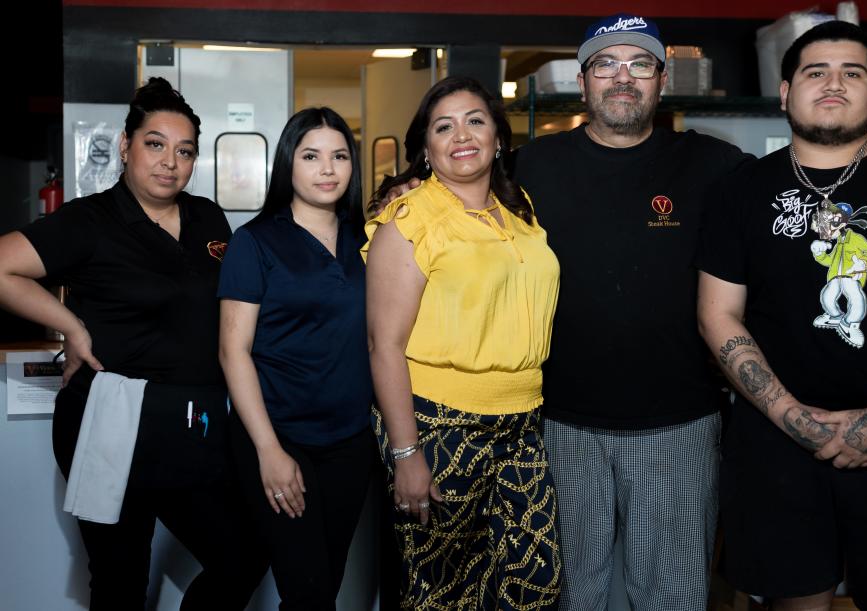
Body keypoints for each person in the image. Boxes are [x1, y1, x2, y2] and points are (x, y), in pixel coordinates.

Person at [375, 15, 867, 610]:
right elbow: (458, 176)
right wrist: (408, 187)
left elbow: (819, 162)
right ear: (583, 81)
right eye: (606, 64)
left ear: (660, 80)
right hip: (559, 428)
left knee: (672, 598)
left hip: (680, 426)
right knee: (569, 597)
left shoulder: (719, 167)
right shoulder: (530, 168)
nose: (622, 78)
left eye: (639, 65)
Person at [697, 20, 867, 610]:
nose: (834, 84)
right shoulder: (739, 191)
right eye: (816, 72)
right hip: (776, 448)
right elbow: (719, 318)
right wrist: (800, 423)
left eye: (853, 72)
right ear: (786, 91)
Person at [0, 77, 267, 610]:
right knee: (121, 582)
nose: (170, 161)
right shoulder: (90, 220)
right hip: (110, 420)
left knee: (243, 555)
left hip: (193, 421)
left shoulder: (208, 217)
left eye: (184, 150)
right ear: (126, 146)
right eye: (155, 144)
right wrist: (71, 326)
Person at [363, 76, 562, 609]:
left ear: (499, 137)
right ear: (426, 150)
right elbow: (384, 345)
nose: (461, 135)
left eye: (475, 120)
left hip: (523, 423)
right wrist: (406, 455)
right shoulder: (408, 220)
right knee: (444, 593)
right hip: (438, 424)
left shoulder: (521, 211)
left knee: (532, 588)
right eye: (443, 126)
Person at [218, 107, 377, 610]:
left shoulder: (368, 240)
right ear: (289, 163)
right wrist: (268, 449)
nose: (327, 169)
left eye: (339, 156)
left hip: (351, 442)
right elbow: (232, 351)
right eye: (311, 155)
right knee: (307, 592)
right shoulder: (255, 242)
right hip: (281, 437)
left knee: (324, 585)